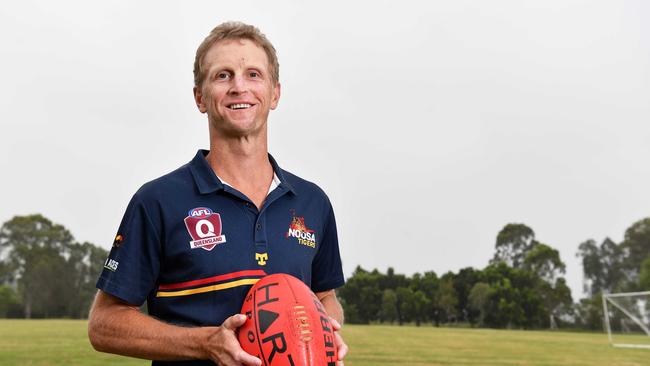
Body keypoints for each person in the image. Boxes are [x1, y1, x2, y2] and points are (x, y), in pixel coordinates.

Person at [88, 21, 347, 366]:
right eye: (223, 76)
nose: (239, 87)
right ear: (200, 97)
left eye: (253, 74)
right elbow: (104, 325)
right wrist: (204, 343)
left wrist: (325, 332)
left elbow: (325, 297)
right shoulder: (158, 201)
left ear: (275, 93)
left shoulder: (312, 202)